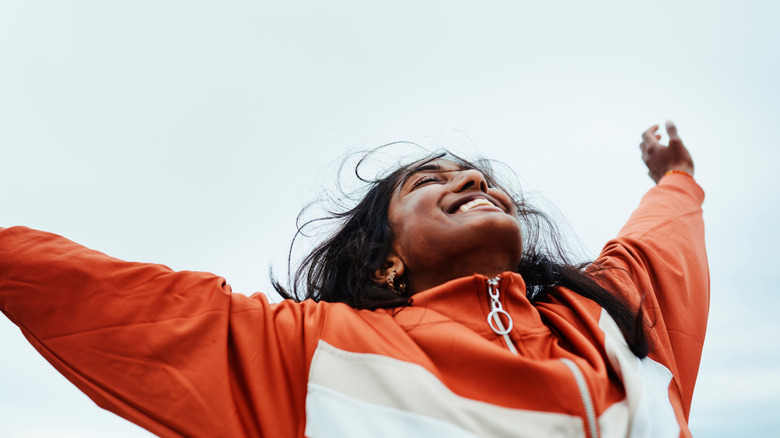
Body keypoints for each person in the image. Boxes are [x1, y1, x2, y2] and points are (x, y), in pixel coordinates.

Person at [0, 121, 707, 437]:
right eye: (427, 182)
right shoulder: (314, 355)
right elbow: (115, 299)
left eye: (479, 177)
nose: (472, 181)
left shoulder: (608, 321)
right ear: (383, 261)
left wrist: (676, 174)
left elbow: (661, 241)